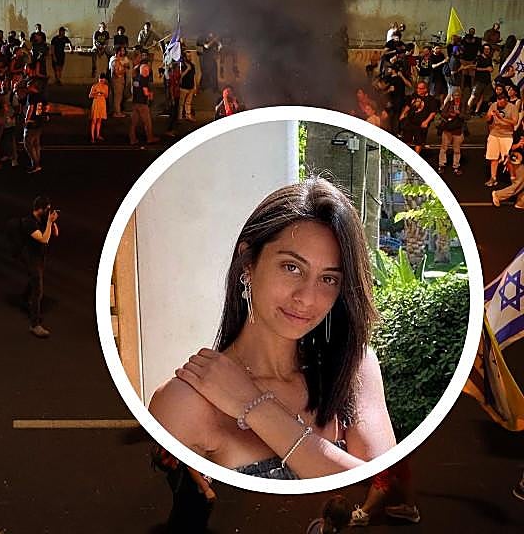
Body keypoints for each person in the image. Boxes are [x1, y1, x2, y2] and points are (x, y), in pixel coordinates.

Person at [148, 178, 396, 479]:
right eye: (292, 267)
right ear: (248, 264)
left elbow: (382, 492)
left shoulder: (354, 370)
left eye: (328, 279)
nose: (306, 297)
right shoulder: (186, 402)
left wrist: (253, 405)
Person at [20, 196, 59, 337]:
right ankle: (34, 324)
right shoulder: (28, 222)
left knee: (33, 282)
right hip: (31, 259)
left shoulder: (42, 220)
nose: (48, 212)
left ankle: (25, 301)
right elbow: (44, 239)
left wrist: (52, 222)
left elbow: (55, 233)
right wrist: (48, 222)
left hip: (40, 258)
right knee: (38, 290)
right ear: (40, 209)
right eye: (47, 209)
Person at [486, 95, 520, 186]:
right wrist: (490, 115)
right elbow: (487, 119)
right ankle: (493, 178)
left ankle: (513, 178)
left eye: (501, 100)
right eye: (498, 99)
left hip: (507, 135)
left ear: (506, 100)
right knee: (493, 158)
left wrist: (502, 118)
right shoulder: (494, 105)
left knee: (507, 158)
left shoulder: (512, 107)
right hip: (494, 134)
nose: (499, 102)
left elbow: (515, 122)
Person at [435, 94, 465, 175]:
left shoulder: (463, 105)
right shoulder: (448, 103)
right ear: (452, 96)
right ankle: (441, 165)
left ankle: (456, 166)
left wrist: (459, 113)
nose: (456, 97)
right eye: (455, 95)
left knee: (457, 150)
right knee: (444, 148)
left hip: (458, 130)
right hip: (447, 129)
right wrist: (450, 114)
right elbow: (442, 114)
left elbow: (467, 116)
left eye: (458, 95)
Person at [129, 61, 157, 145]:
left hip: (135, 103)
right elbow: (145, 92)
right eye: (147, 70)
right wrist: (150, 94)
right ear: (145, 71)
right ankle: (150, 138)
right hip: (142, 104)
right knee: (147, 122)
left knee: (133, 123)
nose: (148, 72)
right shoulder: (144, 80)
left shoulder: (136, 79)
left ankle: (132, 139)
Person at [23, 98, 48, 174]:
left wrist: (26, 120)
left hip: (32, 123)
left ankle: (35, 164)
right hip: (39, 122)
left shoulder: (31, 96)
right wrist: (44, 115)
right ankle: (37, 164)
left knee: (28, 144)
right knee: (36, 144)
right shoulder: (41, 96)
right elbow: (47, 107)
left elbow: (30, 108)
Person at [109, 46, 132, 118]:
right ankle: (117, 113)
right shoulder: (115, 60)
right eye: (122, 51)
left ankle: (117, 111)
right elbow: (117, 73)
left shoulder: (120, 60)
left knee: (119, 96)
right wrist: (124, 69)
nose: (123, 52)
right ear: (118, 52)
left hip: (120, 80)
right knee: (117, 97)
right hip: (117, 81)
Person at [88, 73, 109, 143]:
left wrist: (103, 94)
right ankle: (92, 137)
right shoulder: (95, 86)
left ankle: (97, 135)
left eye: (103, 79)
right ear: (98, 79)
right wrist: (96, 94)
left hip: (102, 103)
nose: (102, 80)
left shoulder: (106, 87)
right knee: (94, 120)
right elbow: (90, 95)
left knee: (99, 120)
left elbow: (106, 96)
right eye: (100, 79)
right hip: (96, 103)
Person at [179, 54, 198, 122]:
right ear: (185, 57)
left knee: (188, 103)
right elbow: (180, 76)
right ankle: (180, 117)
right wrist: (187, 69)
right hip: (184, 87)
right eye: (188, 56)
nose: (189, 57)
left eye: (190, 56)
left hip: (191, 87)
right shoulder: (181, 65)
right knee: (181, 103)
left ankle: (188, 116)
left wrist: (195, 87)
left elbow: (193, 76)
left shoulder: (192, 65)